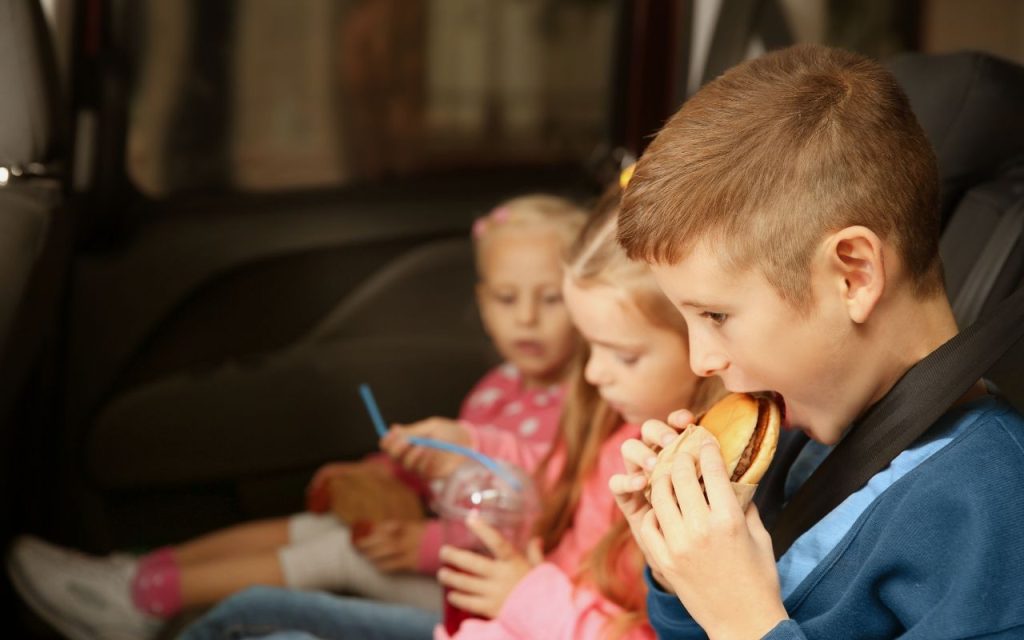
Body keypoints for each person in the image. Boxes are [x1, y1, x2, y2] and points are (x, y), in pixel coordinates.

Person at [5, 194, 586, 640]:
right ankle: (132, 573)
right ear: (483, 303)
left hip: (474, 587)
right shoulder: (496, 388)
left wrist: (424, 544)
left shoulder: (579, 406)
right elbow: (453, 473)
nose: (527, 319)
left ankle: (141, 603)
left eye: (550, 299)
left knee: (337, 551)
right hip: (442, 551)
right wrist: (391, 472)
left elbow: (539, 515)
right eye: (507, 300)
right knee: (314, 526)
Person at [176, 182, 725, 640]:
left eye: (622, 354)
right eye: (589, 346)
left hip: (522, 617)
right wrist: (467, 448)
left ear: (705, 348)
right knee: (246, 613)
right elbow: (540, 482)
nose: (591, 372)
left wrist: (525, 593)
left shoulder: (693, 485)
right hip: (496, 623)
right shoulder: (608, 422)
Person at [609, 44, 1024, 639]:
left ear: (853, 275)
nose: (702, 360)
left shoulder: (993, 509)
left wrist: (743, 621)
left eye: (717, 316)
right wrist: (684, 576)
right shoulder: (798, 442)